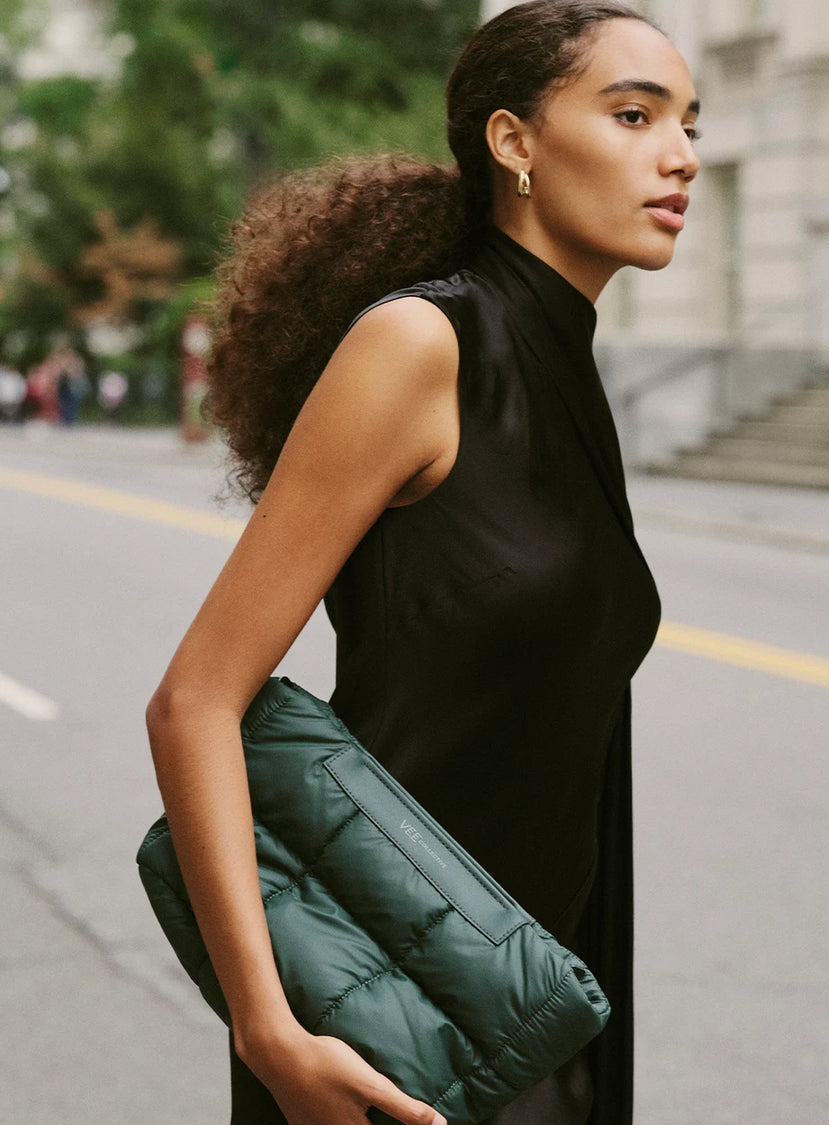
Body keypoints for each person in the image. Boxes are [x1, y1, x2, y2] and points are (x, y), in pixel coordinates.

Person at [145, 3, 700, 1123]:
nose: (681, 154)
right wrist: (273, 1033)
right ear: (515, 144)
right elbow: (195, 701)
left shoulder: (566, 364)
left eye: (689, 121)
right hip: (385, 1012)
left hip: (538, 993)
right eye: (635, 115)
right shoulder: (422, 344)